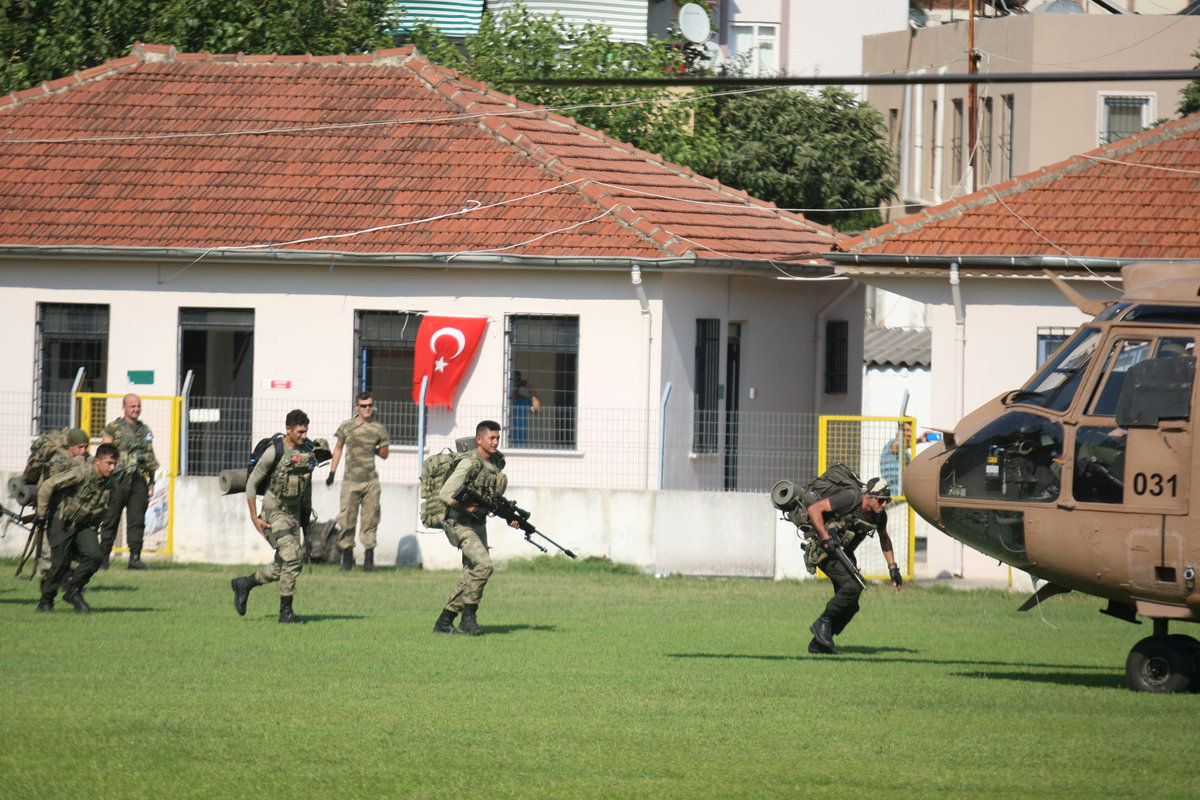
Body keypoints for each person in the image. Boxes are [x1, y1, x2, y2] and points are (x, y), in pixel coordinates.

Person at [230, 409, 318, 624]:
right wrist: (254, 516)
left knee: (282, 566)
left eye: (306, 431)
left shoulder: (307, 450)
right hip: (273, 511)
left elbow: (307, 486)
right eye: (299, 432)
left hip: (294, 513)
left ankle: (245, 583)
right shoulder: (275, 451)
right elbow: (251, 482)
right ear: (288, 429)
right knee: (292, 557)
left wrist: (306, 522)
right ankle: (285, 613)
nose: (303, 436)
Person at [432, 420, 518, 636]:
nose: (496, 442)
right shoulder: (469, 463)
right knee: (483, 565)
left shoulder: (495, 464)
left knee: (472, 572)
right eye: (492, 438)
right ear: (479, 439)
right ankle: (468, 618)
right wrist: (468, 507)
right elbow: (445, 493)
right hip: (459, 523)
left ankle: (445, 620)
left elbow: (491, 498)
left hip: (478, 523)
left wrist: (510, 517)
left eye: (498, 438)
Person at [805, 475, 903, 655]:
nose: (884, 505)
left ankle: (818, 645)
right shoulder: (850, 498)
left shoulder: (879, 516)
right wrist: (826, 539)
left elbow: (884, 538)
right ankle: (822, 623)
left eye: (887, 501)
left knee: (850, 604)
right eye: (881, 500)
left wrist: (893, 568)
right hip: (824, 550)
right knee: (852, 588)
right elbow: (814, 509)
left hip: (844, 554)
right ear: (869, 496)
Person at [34, 442, 118, 613]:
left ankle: (74, 590)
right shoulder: (82, 473)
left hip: (84, 524)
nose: (112, 467)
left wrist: (93, 530)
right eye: (109, 463)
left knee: (95, 556)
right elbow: (47, 486)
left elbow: (103, 509)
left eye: (115, 463)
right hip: (61, 520)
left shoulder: (110, 484)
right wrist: (41, 515)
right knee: (61, 563)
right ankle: (46, 600)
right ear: (97, 461)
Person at [325, 391, 390, 571]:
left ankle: (369, 561)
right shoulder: (346, 426)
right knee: (347, 520)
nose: (367, 409)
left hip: (370, 482)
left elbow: (385, 454)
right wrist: (331, 473)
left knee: (370, 521)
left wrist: (374, 449)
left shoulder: (379, 429)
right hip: (350, 481)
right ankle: (347, 560)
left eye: (370, 405)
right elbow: (338, 449)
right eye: (363, 406)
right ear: (357, 407)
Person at [100, 393, 160, 569]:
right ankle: (103, 559)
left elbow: (150, 456)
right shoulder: (113, 428)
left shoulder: (145, 430)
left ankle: (134, 558)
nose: (136, 409)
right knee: (111, 518)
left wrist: (152, 480)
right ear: (124, 407)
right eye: (132, 406)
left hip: (138, 480)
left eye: (138, 406)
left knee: (137, 520)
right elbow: (105, 453)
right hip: (117, 479)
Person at [35, 428, 91, 580]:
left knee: (75, 551)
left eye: (86, 447)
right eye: (80, 447)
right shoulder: (58, 462)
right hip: (55, 513)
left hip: (74, 513)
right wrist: (41, 513)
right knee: (49, 552)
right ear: (70, 446)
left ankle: (69, 582)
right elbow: (45, 487)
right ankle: (45, 585)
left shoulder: (85, 461)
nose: (83, 450)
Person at [509, 371, 538, 447]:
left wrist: (531, 391)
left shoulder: (524, 400)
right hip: (506, 442)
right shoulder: (506, 401)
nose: (516, 384)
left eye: (518, 381)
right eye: (514, 381)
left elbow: (537, 409)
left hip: (521, 443)